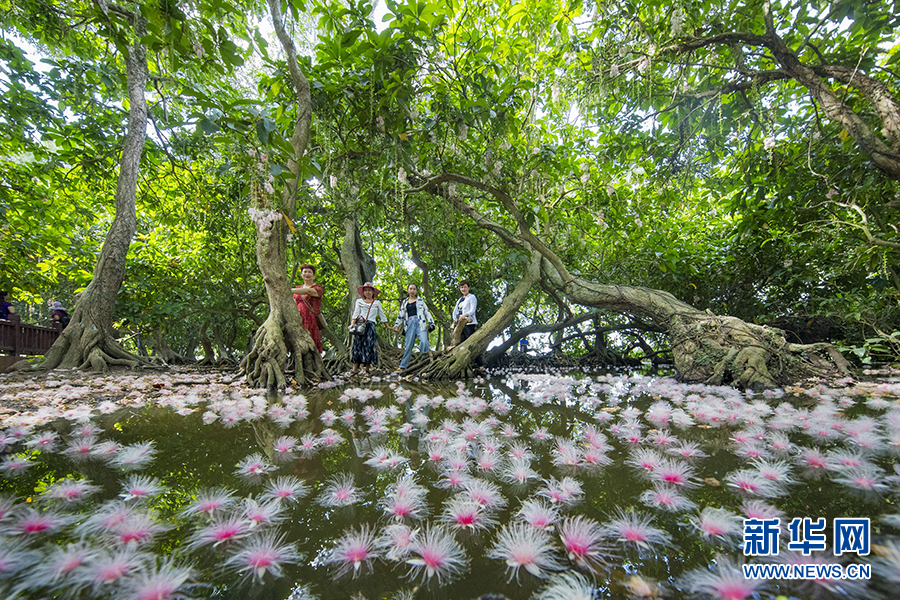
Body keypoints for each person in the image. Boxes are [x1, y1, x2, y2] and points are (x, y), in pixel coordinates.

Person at [349, 282, 389, 374]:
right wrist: (352, 324)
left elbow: (382, 315)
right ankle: (354, 369)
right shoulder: (359, 301)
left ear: (373, 292)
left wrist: (388, 326)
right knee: (357, 345)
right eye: (365, 290)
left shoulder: (377, 303)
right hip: (360, 326)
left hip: (370, 326)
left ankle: (367, 369)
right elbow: (356, 313)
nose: (367, 292)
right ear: (363, 292)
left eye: (369, 290)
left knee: (369, 346)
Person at [394, 283, 435, 370]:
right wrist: (396, 325)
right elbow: (400, 315)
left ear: (416, 291)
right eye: (411, 289)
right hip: (409, 324)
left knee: (424, 342)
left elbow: (427, 311)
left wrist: (431, 323)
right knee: (408, 345)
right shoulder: (405, 302)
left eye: (414, 289)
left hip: (421, 323)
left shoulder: (420, 300)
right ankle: (403, 365)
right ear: (408, 290)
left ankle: (423, 362)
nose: (412, 291)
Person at [291, 264, 324, 353]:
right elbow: (294, 302)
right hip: (298, 318)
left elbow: (308, 291)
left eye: (310, 272)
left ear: (313, 275)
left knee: (311, 340)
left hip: (311, 319)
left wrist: (289, 289)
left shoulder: (318, 288)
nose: (307, 274)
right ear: (301, 275)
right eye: (305, 272)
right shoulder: (298, 288)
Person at [452, 280, 483, 367]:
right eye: (461, 287)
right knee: (460, 344)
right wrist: (456, 319)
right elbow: (455, 312)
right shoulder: (459, 300)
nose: (463, 289)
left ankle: (480, 365)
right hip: (460, 325)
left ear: (468, 288)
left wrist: (464, 316)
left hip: (469, 324)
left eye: (465, 287)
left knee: (472, 344)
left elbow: (472, 310)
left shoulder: (472, 297)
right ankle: (463, 364)